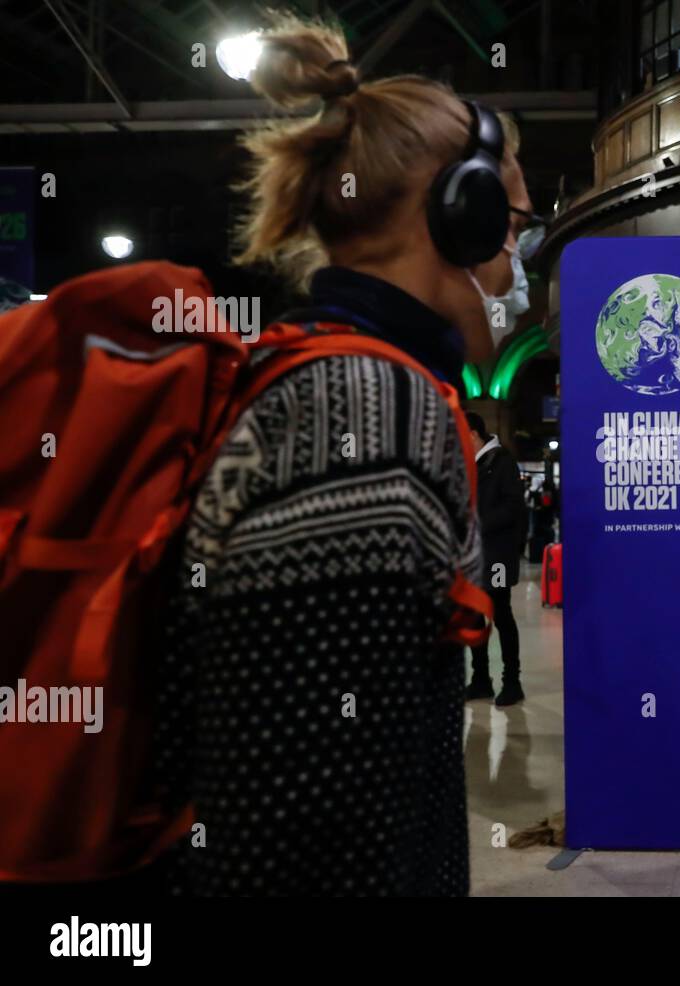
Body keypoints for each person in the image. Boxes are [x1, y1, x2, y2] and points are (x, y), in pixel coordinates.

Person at [153, 14, 536, 894]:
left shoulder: (358, 382)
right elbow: (310, 820)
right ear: (460, 210)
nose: (515, 267)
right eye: (511, 220)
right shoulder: (362, 415)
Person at [465, 411, 527, 706]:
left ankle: (512, 681)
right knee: (475, 615)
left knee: (501, 614)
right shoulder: (467, 464)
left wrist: (476, 523)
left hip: (498, 553)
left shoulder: (502, 461)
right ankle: (480, 680)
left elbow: (513, 507)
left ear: (474, 434)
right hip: (473, 556)